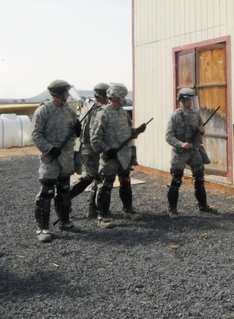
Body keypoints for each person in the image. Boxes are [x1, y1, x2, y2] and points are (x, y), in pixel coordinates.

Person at [89, 84, 147, 227]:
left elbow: (127, 133)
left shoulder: (122, 113)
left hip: (124, 156)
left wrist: (137, 131)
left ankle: (128, 210)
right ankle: (103, 217)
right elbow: (95, 138)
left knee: (125, 183)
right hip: (110, 158)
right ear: (115, 98)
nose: (124, 99)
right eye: (123, 97)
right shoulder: (103, 114)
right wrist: (107, 150)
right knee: (107, 186)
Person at [31, 79, 81, 242]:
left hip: (66, 158)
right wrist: (49, 148)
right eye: (66, 91)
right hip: (51, 159)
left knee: (64, 190)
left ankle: (65, 222)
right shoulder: (44, 111)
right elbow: (36, 135)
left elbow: (73, 133)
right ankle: (42, 228)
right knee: (47, 192)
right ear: (59, 92)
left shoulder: (68, 110)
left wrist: (77, 130)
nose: (68, 94)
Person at [165, 87, 218, 217]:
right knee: (176, 179)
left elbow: (200, 134)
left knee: (199, 177)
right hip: (180, 152)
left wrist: (201, 132)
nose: (191, 103)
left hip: (194, 150)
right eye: (188, 100)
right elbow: (169, 136)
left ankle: (203, 206)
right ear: (181, 100)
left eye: (192, 100)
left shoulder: (195, 115)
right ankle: (172, 209)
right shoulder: (175, 116)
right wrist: (181, 144)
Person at [69, 82, 109, 219]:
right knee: (95, 177)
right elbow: (96, 131)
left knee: (95, 177)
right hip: (92, 148)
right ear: (103, 96)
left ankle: (93, 209)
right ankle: (65, 197)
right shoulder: (99, 109)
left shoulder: (88, 105)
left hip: (85, 146)